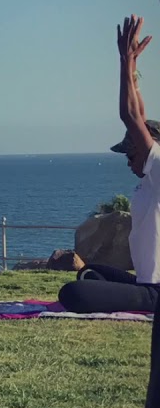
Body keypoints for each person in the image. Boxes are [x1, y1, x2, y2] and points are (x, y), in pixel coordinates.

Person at [58, 16, 160, 314]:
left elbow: (131, 116)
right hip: (145, 283)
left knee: (74, 293)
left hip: (156, 291)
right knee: (90, 273)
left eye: (131, 155)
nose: (129, 162)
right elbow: (138, 113)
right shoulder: (150, 177)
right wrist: (133, 68)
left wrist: (124, 60)